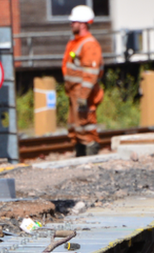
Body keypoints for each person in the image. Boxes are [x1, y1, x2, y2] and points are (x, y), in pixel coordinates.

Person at [61, 5, 103, 157]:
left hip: (83, 94)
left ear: (83, 24)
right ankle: (80, 158)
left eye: (74, 21)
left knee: (86, 129)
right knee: (75, 129)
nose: (71, 24)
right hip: (74, 93)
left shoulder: (89, 44)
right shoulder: (76, 42)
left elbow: (91, 73)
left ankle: (90, 158)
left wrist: (83, 96)